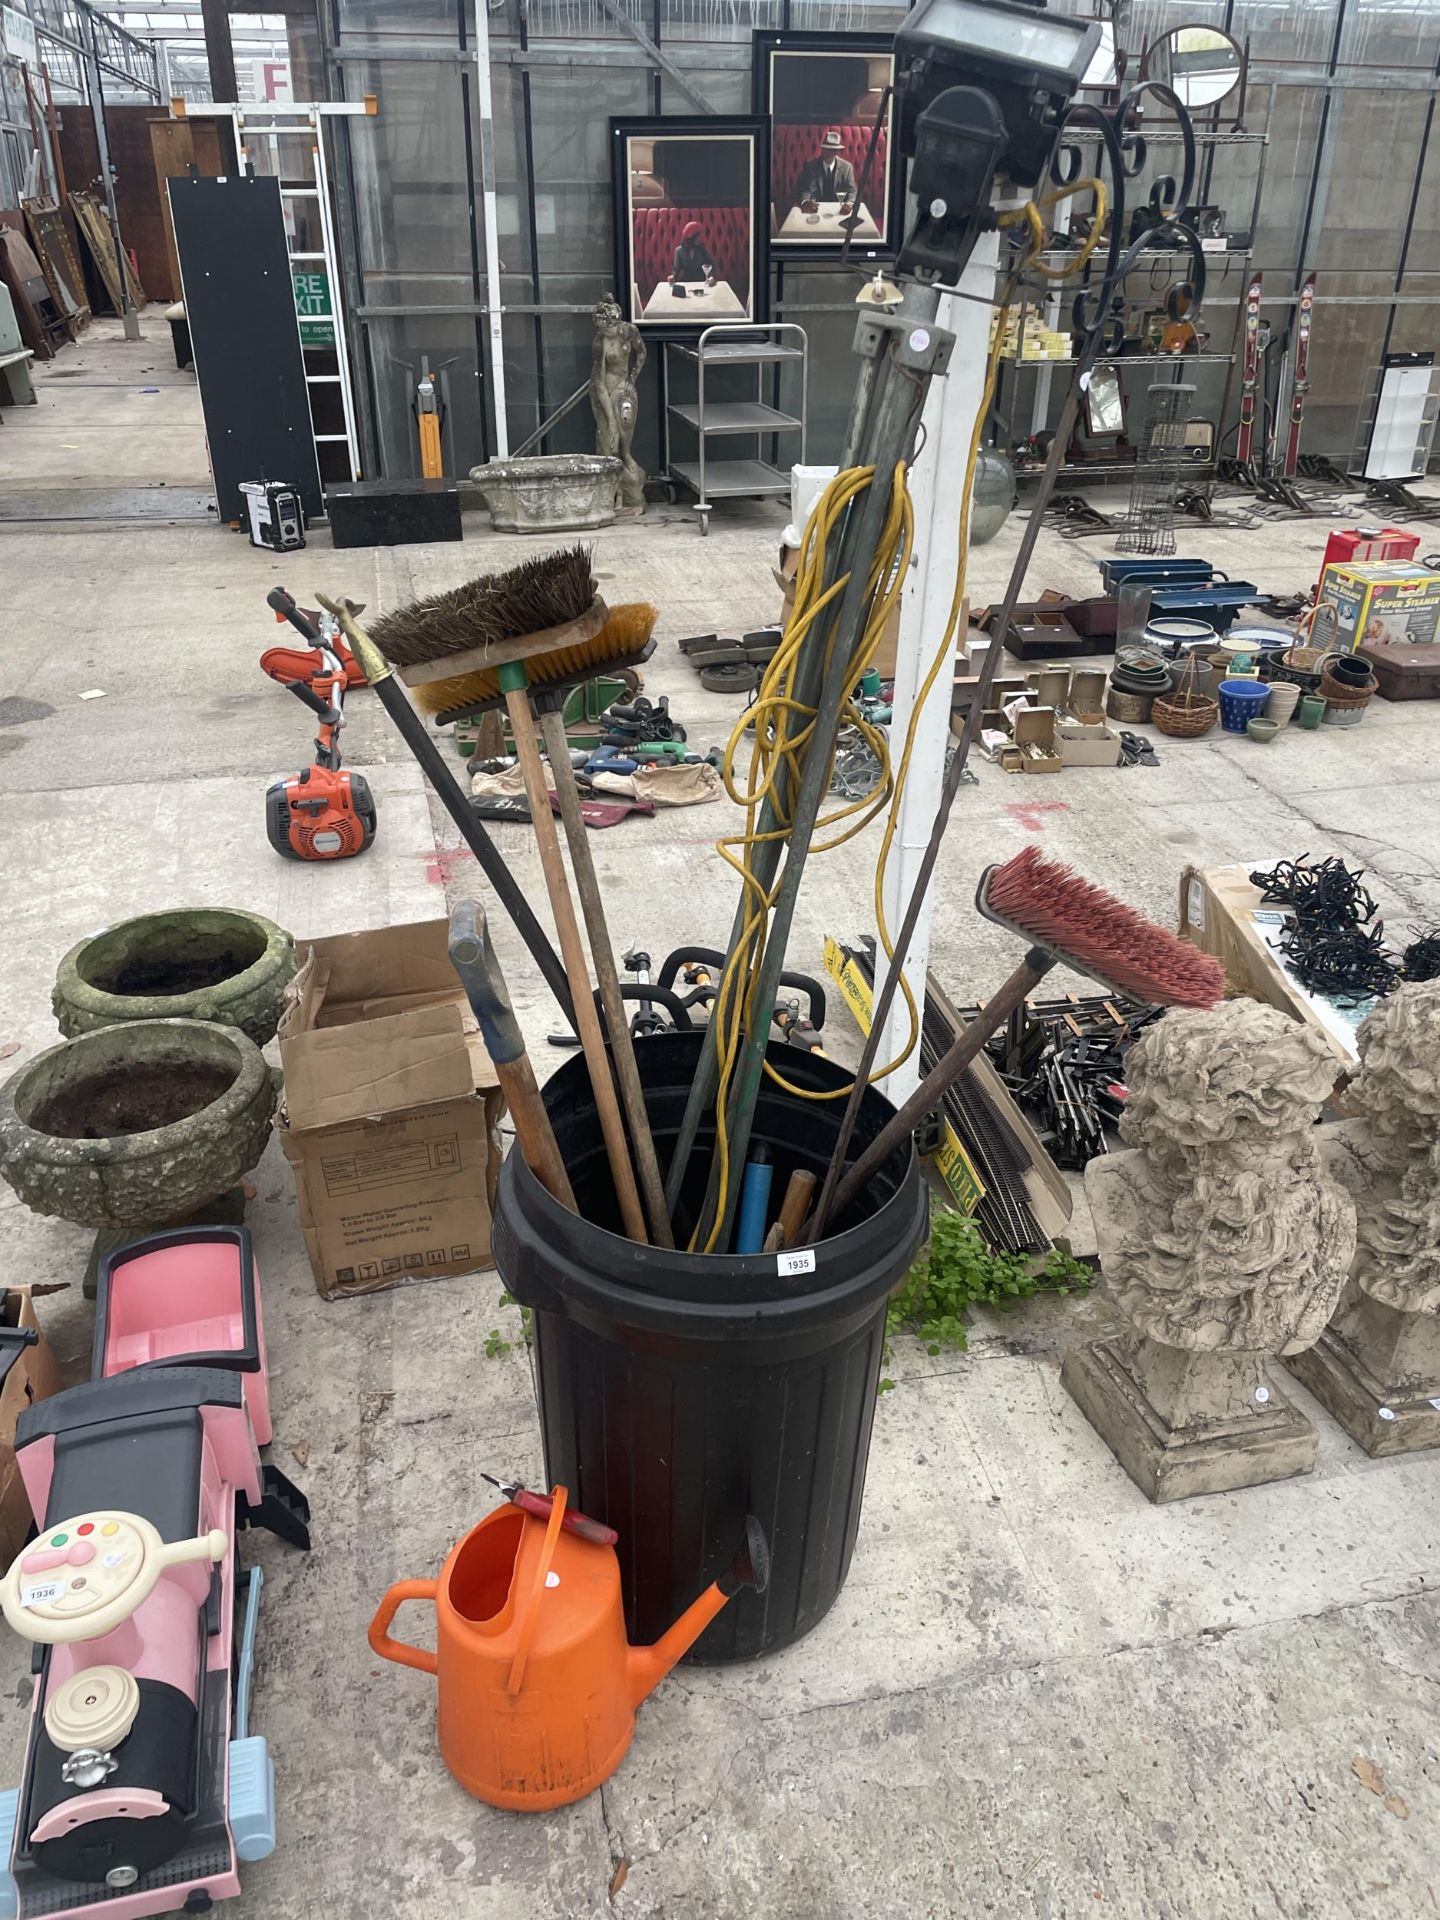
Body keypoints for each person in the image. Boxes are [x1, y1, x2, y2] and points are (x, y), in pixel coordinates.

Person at [793, 129, 857, 208]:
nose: (829, 153)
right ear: (822, 149)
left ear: (837, 152)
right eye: (827, 149)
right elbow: (804, 188)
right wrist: (806, 202)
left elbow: (852, 191)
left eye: (833, 150)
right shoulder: (810, 166)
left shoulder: (846, 168)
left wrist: (849, 204)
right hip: (815, 208)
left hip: (838, 208)